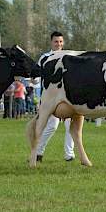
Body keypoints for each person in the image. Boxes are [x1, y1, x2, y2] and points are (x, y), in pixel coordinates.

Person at [36, 31, 75, 162]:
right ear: (51, 42)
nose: (58, 44)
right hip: (50, 96)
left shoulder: (68, 56)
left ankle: (69, 154)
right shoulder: (44, 58)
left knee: (71, 125)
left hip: (68, 97)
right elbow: (38, 78)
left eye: (60, 42)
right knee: (52, 125)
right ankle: (38, 151)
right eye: (56, 41)